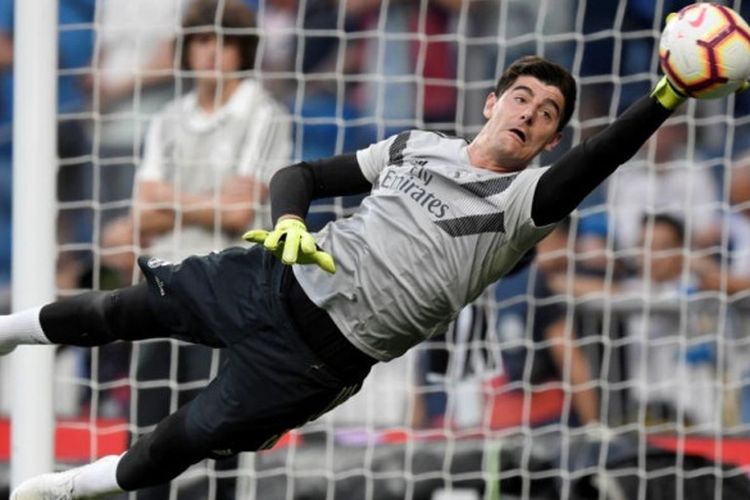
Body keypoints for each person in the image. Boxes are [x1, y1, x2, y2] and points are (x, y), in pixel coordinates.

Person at [7, 52, 716, 498]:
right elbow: (303, 174)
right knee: (122, 312)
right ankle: (8, 331)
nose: (530, 114)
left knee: (178, 442)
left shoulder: (523, 205)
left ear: (551, 142)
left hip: (317, 359)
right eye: (523, 97)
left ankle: (69, 489)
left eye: (547, 114)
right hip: (274, 276)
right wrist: (289, 221)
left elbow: (600, 162)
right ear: (491, 103)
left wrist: (666, 95)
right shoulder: (415, 145)